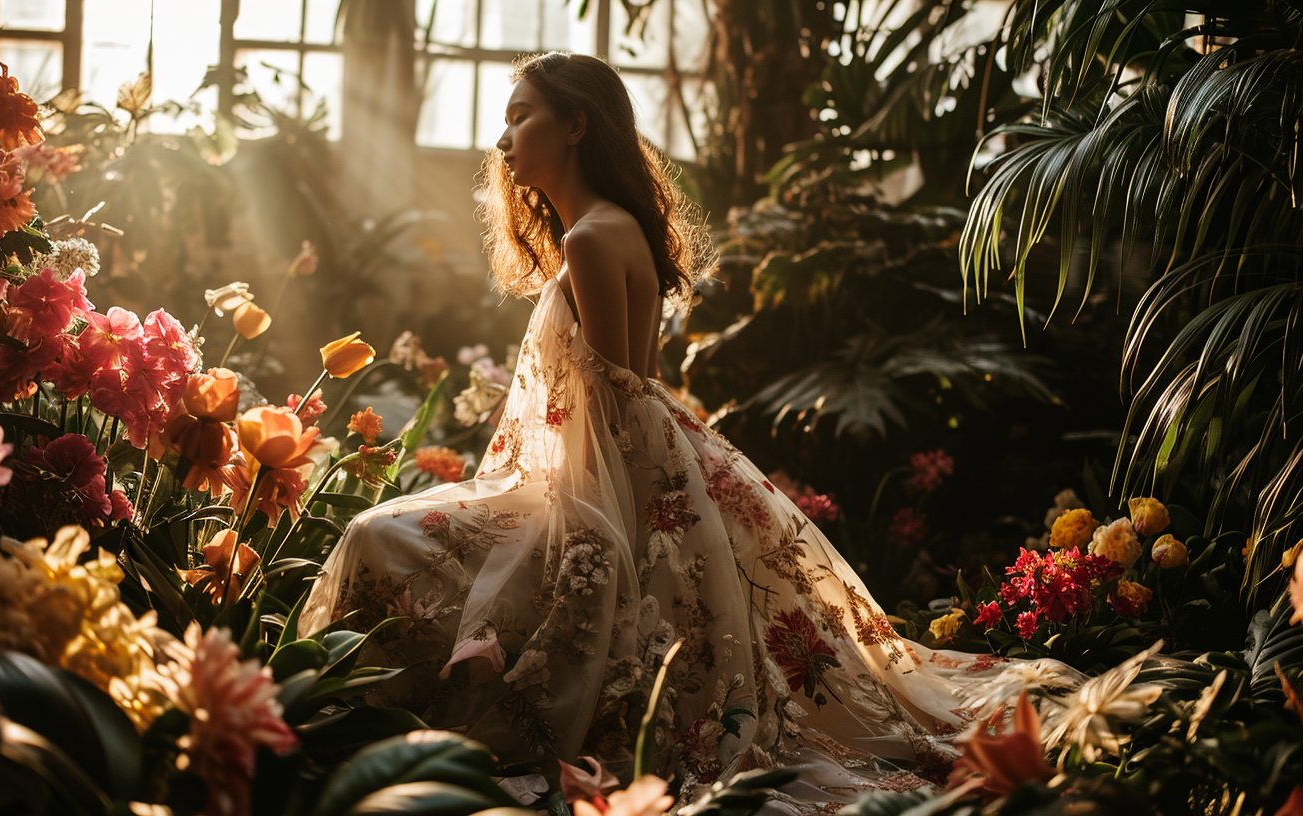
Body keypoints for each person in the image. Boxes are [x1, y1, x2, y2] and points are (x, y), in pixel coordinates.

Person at [300, 51, 1075, 810]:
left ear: (576, 124)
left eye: (519, 116)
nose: (503, 139)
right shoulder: (614, 228)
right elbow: (637, 388)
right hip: (611, 477)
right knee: (389, 534)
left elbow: (610, 405)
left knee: (378, 536)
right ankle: (379, 731)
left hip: (591, 492)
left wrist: (570, 531)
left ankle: (352, 740)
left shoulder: (591, 239)